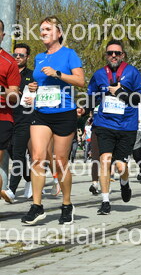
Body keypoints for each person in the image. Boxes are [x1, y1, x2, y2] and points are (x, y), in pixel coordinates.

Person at [21, 17, 85, 225]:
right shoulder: (39, 57)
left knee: (60, 162)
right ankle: (37, 206)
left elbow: (80, 81)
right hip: (41, 112)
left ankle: (66, 204)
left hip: (64, 112)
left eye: (48, 29)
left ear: (59, 33)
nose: (43, 32)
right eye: (41, 29)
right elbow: (40, 83)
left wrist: (58, 74)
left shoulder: (69, 54)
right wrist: (34, 88)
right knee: (37, 157)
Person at [87, 40, 141, 215]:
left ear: (123, 55)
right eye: (110, 53)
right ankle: (105, 201)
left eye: (117, 53)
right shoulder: (99, 74)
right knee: (105, 159)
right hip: (104, 124)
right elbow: (92, 97)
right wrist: (83, 110)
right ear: (106, 55)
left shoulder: (132, 72)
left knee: (121, 166)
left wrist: (120, 92)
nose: (113, 56)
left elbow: (140, 99)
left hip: (127, 126)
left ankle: (124, 183)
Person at [1, 43, 34, 203]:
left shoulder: (32, 76)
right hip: (8, 117)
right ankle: (30, 178)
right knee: (14, 154)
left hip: (24, 118)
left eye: (21, 55)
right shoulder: (8, 70)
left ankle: (11, 191)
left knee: (19, 152)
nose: (18, 57)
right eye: (15, 55)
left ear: (27, 57)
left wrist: (35, 91)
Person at [0, 22, 21, 204]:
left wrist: (2, 90)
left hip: (3, 117)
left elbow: (14, 96)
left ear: (3, 35)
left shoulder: (9, 62)